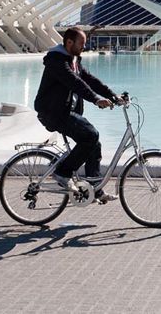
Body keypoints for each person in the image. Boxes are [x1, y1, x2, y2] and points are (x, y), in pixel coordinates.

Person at [34, 26, 121, 202]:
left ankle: (94, 190)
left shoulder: (73, 60)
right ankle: (63, 172)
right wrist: (96, 99)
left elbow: (90, 80)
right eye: (81, 43)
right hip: (53, 113)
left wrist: (113, 96)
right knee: (91, 135)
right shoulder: (57, 61)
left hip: (65, 112)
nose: (84, 47)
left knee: (94, 143)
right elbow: (75, 83)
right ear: (69, 42)